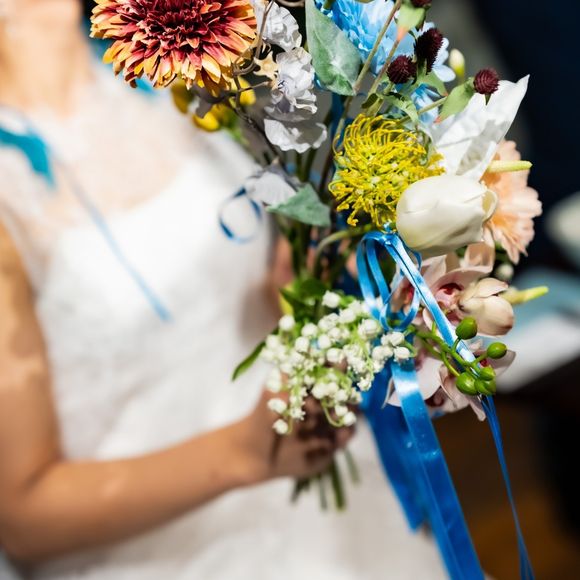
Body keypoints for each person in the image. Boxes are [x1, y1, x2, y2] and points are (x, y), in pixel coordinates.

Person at [0, 1, 447, 578]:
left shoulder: (172, 76)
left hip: (327, 496)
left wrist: (299, 285)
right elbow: (23, 517)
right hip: (164, 555)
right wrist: (245, 452)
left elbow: (228, 298)